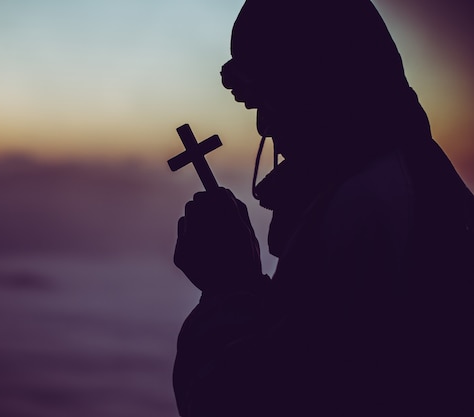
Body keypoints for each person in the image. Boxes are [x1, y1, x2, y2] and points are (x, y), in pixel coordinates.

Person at [172, 1, 474, 415]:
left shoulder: (367, 208)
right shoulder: (408, 176)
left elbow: (273, 397)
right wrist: (250, 287)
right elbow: (317, 338)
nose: (264, 126)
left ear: (319, 88)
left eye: (271, 102)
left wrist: (227, 289)